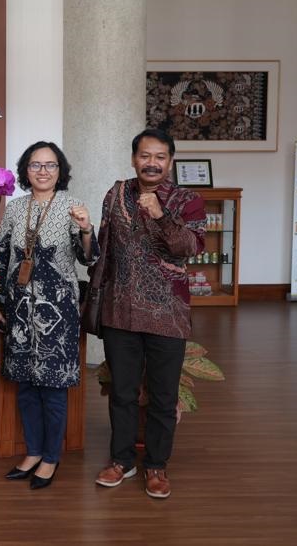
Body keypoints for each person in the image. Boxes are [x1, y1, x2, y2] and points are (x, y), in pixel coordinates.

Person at [94, 128, 205, 499]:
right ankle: (121, 462)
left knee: (161, 395)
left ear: (170, 161)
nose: (152, 163)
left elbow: (190, 247)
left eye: (159, 157)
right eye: (145, 156)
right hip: (119, 311)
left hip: (168, 315)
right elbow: (103, 247)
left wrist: (160, 215)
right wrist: (83, 236)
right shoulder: (116, 193)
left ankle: (156, 466)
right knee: (123, 393)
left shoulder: (187, 200)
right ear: (133, 159)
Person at [0, 141, 96, 490]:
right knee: (26, 387)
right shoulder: (14, 208)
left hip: (57, 312)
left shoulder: (72, 207)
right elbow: (1, 256)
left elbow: (88, 259)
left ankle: (51, 457)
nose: (43, 171)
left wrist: (85, 228)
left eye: (50, 165)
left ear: (60, 170)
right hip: (20, 309)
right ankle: (33, 452)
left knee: (53, 388)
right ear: (25, 170)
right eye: (36, 165)